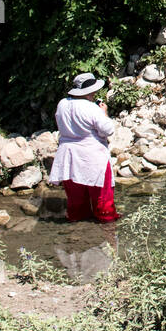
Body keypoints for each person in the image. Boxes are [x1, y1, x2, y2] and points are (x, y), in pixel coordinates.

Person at [48, 72, 121, 223]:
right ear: (90, 92)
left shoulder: (62, 104)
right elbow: (107, 130)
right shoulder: (92, 108)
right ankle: (108, 232)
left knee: (76, 200)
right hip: (92, 155)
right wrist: (104, 113)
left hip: (68, 154)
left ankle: (77, 232)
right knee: (102, 198)